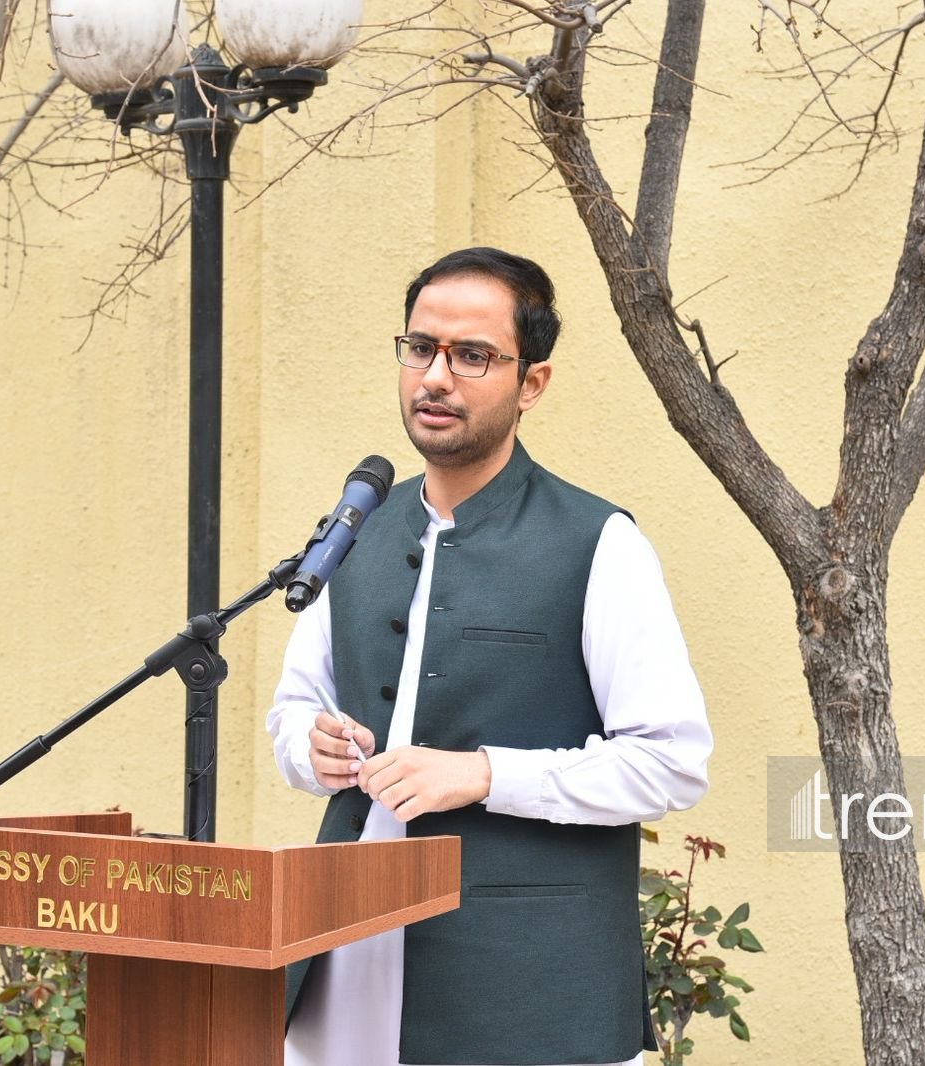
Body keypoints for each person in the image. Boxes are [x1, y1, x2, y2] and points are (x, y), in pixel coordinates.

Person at [266, 247, 713, 1066]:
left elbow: (671, 762)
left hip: (524, 985)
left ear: (531, 382)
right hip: (343, 958)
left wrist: (484, 774)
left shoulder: (598, 542)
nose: (436, 377)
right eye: (420, 348)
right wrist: (311, 747)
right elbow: (294, 713)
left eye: (472, 355)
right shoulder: (353, 533)